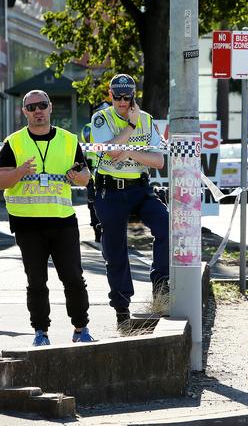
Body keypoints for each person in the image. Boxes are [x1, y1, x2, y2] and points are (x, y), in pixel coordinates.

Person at [0, 90, 94, 346]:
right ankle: (41, 332)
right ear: (24, 112)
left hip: (62, 220)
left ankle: (81, 328)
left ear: (50, 108)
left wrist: (79, 177)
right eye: (31, 107)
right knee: (36, 281)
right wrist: (19, 171)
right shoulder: (14, 142)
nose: (37, 111)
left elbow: (85, 177)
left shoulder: (69, 140)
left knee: (73, 277)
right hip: (27, 224)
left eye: (42, 105)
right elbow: (0, 181)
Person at [90, 74, 169, 328]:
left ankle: (161, 286)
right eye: (118, 97)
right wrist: (131, 129)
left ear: (133, 95)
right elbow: (110, 152)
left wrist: (130, 150)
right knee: (115, 251)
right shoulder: (101, 118)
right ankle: (122, 308)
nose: (122, 102)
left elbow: (159, 161)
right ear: (110, 95)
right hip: (110, 191)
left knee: (165, 224)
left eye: (127, 97)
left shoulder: (146, 119)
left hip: (139, 188)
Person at [79, 101, 109, 243]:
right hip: (92, 172)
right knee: (93, 203)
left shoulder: (116, 127)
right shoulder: (89, 127)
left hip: (109, 171)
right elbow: (89, 138)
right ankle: (97, 233)